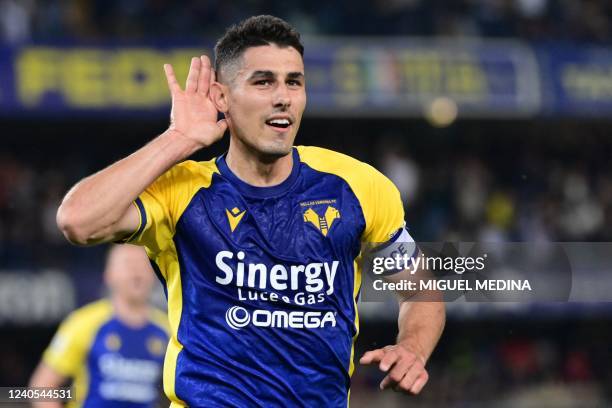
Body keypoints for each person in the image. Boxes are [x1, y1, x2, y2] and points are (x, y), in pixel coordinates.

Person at [55, 15, 445, 407]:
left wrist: (413, 347)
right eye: (263, 82)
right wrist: (178, 139)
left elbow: (420, 287)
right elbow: (78, 220)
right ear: (222, 98)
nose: (283, 96)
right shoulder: (182, 190)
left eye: (294, 81)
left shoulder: (358, 187)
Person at [29, 244, 169, 408]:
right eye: (128, 264)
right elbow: (41, 387)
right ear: (108, 275)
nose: (136, 272)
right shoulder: (83, 323)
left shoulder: (168, 329)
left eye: (143, 264)